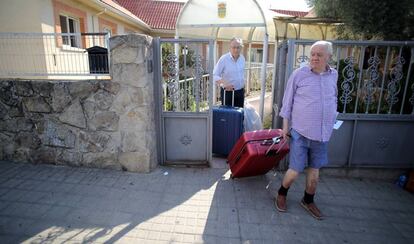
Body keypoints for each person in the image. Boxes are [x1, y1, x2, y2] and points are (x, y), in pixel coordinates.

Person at [275, 41, 338, 220]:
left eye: (319, 54)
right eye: (313, 54)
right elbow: (287, 103)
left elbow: (333, 98)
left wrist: (333, 116)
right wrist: (285, 129)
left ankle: (308, 200)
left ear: (329, 57)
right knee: (294, 170)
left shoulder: (333, 75)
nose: (315, 58)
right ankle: (282, 193)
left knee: (315, 173)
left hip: (323, 134)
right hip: (300, 132)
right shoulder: (299, 74)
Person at [213, 37, 246, 108]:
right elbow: (214, 75)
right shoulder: (224, 59)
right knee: (227, 116)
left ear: (241, 48)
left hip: (240, 92)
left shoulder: (242, 58)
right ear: (230, 47)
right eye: (234, 47)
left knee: (239, 115)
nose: (236, 50)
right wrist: (224, 84)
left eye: (238, 47)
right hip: (228, 93)